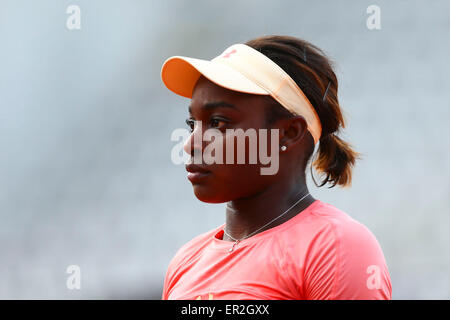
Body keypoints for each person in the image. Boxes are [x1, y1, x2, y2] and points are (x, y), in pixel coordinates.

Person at [160, 35, 392, 300]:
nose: (190, 145)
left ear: (288, 133)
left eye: (218, 123)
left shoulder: (336, 246)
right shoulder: (185, 261)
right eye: (193, 124)